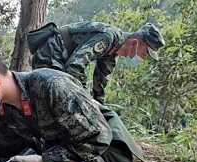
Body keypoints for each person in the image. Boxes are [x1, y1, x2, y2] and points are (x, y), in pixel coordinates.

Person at [29, 22, 165, 103]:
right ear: (135, 43)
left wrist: (100, 109)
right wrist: (86, 99)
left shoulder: (112, 53)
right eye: (144, 53)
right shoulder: (108, 37)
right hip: (50, 55)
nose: (143, 58)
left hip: (61, 61)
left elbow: (99, 85)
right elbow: (74, 67)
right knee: (55, 101)